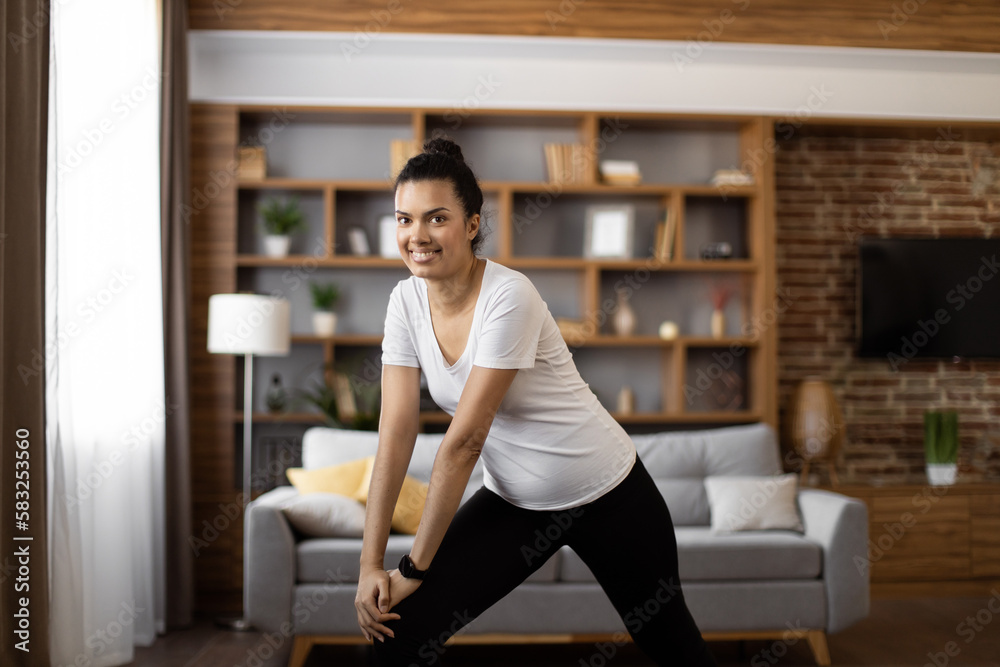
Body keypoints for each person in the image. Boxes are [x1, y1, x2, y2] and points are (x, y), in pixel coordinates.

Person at [354, 137, 716, 666]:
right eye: (404, 220)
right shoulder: (404, 301)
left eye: (436, 219)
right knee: (397, 633)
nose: (417, 236)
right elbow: (397, 431)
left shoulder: (509, 295)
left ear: (472, 224)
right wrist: (369, 565)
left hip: (609, 493)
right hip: (516, 504)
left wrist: (411, 568)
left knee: (675, 651)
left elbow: (465, 441)